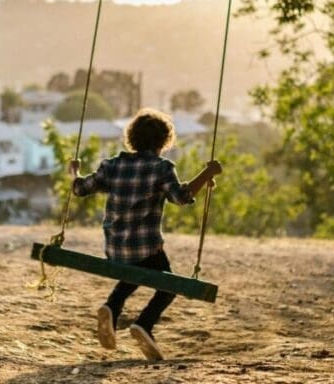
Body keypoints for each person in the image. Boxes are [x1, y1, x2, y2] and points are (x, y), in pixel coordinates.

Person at [70, 108, 222, 361]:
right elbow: (181, 197)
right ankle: (144, 324)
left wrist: (74, 170)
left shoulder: (112, 165)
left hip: (115, 248)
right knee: (167, 285)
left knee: (135, 271)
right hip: (146, 248)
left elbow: (79, 188)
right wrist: (207, 174)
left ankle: (112, 307)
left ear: (131, 138)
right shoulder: (161, 168)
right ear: (164, 142)